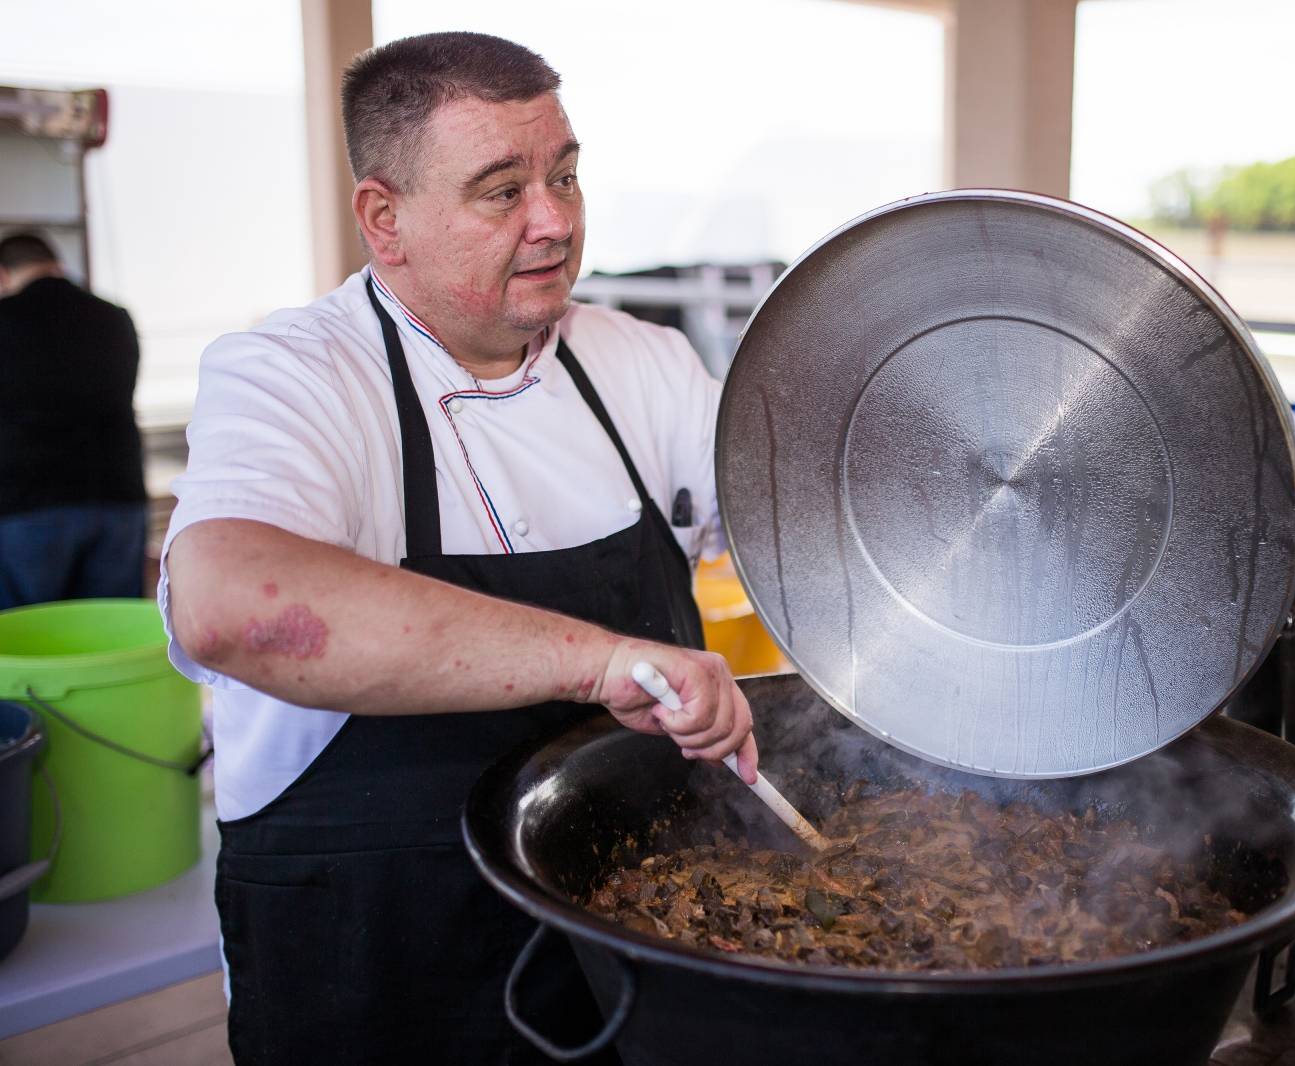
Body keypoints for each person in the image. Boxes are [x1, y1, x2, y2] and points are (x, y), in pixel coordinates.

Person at [161, 32, 757, 1066]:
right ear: (383, 219)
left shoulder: (641, 362)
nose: (556, 219)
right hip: (378, 970)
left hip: (619, 955)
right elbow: (233, 604)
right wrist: (604, 659)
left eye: (564, 175)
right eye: (501, 190)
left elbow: (808, 523)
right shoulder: (291, 376)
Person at [0, 232, 146, 609]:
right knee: (112, 632)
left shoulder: (5, 319)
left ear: (3, 275)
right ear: (56, 264)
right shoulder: (114, 317)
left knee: (28, 640)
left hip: (26, 502)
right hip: (118, 493)